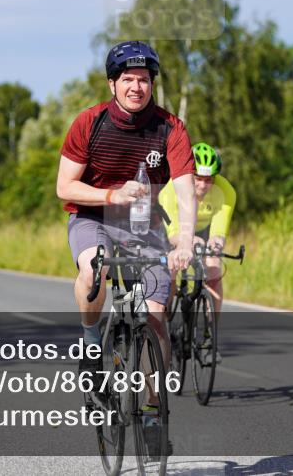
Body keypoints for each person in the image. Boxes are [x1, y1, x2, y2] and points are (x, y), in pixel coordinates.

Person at [56, 40, 196, 453]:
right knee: (92, 270)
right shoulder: (90, 122)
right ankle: (90, 342)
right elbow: (65, 186)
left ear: (153, 84)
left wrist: (184, 240)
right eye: (129, 80)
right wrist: (112, 195)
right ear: (113, 83)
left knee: (155, 317)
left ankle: (153, 410)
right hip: (92, 217)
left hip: (145, 227)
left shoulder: (170, 128)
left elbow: (186, 191)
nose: (137, 87)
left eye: (145, 80)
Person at [158, 142, 236, 315]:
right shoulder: (171, 188)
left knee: (214, 267)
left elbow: (219, 230)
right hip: (174, 229)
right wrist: (187, 240)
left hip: (203, 229)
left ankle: (211, 329)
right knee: (171, 268)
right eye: (197, 178)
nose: (202, 185)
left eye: (208, 180)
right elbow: (173, 233)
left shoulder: (227, 191)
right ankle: (165, 316)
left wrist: (216, 242)